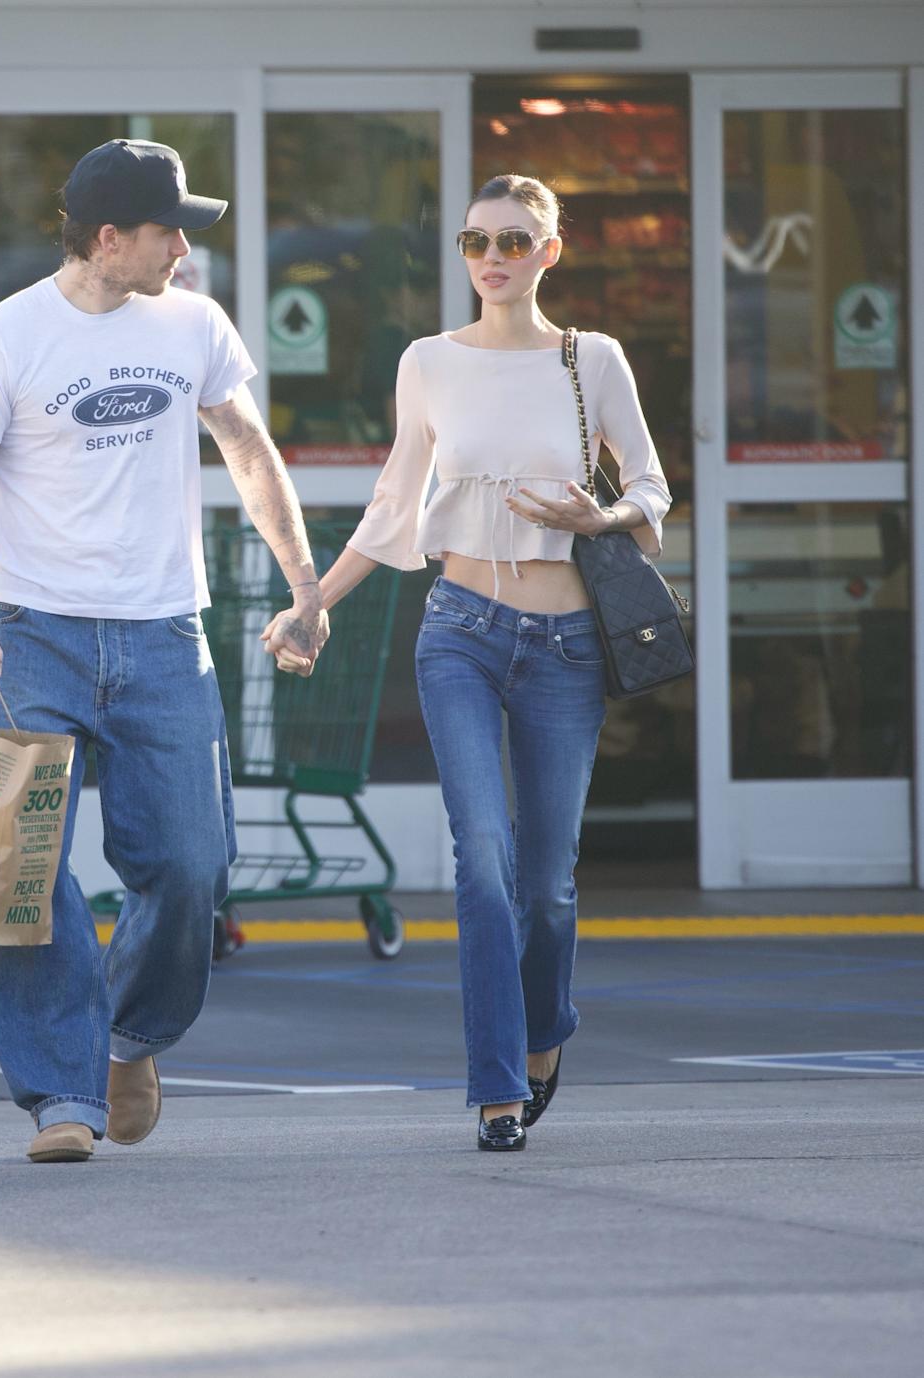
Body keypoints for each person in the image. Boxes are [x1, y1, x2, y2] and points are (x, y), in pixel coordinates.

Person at [0, 139, 328, 1163]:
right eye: (169, 229)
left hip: (164, 632)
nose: (184, 245)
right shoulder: (2, 339)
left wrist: (305, 586)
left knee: (191, 864)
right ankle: (60, 1095)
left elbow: (248, 447)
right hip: (33, 636)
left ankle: (131, 1038)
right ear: (109, 238)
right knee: (26, 873)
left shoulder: (193, 323)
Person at [266, 174, 671, 1151]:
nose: (494, 257)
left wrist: (600, 514)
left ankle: (545, 1034)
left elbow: (653, 494)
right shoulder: (428, 362)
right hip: (460, 631)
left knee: (547, 886)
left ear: (549, 253)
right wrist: (312, 600)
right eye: (478, 240)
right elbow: (394, 503)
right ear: (463, 254)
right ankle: (495, 1086)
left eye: (516, 240)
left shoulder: (593, 359)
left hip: (567, 645)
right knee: (480, 861)